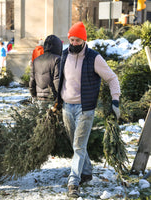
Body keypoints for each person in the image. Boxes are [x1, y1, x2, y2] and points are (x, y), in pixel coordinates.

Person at [55, 21, 121, 198]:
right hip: (67, 107)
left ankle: (73, 182)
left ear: (84, 40)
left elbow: (112, 78)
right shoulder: (64, 56)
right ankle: (87, 172)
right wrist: (56, 101)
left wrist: (115, 100)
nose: (74, 43)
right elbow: (60, 80)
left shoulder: (94, 58)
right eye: (72, 40)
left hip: (85, 109)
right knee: (76, 144)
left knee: (78, 145)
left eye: (78, 40)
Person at [29, 35, 62, 110]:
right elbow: (57, 80)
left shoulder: (36, 60)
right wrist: (60, 98)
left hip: (39, 97)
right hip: (52, 97)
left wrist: (34, 95)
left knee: (41, 120)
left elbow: (32, 80)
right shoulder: (57, 59)